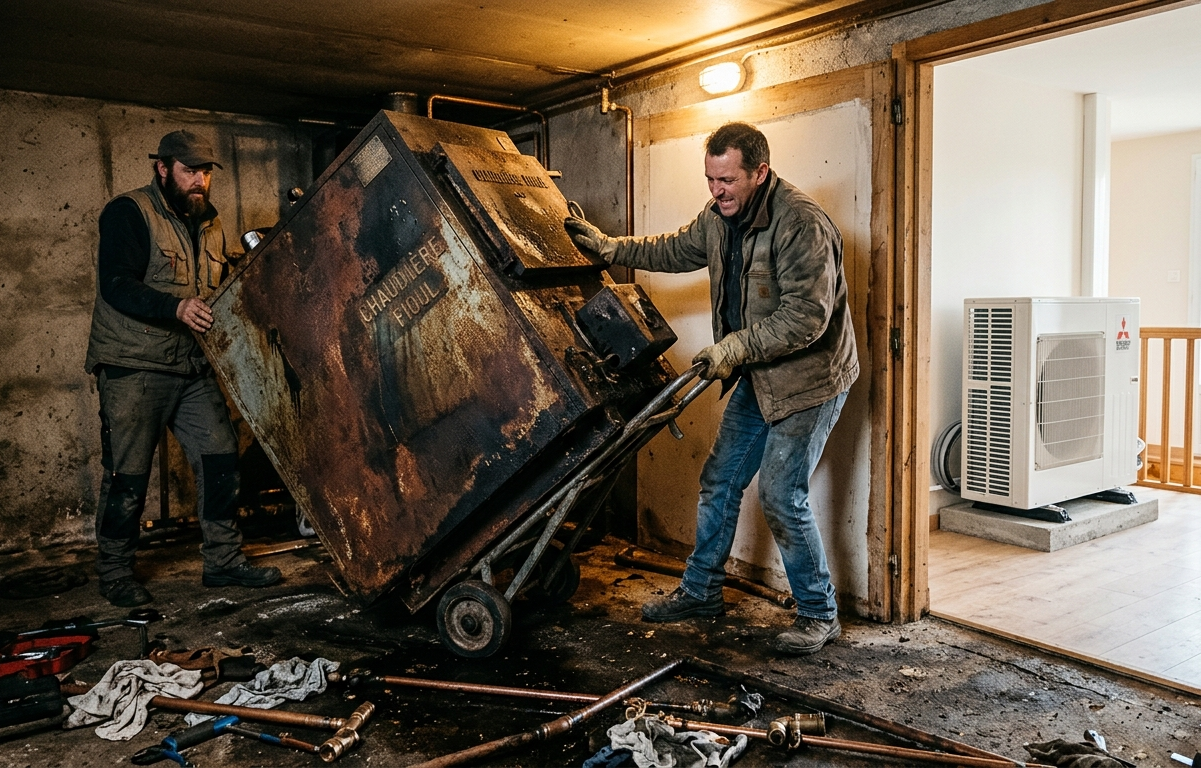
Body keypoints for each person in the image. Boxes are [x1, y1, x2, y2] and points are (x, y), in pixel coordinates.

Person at [564, 122, 858, 655]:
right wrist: (611, 247)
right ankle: (700, 593)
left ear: (759, 172)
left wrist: (734, 348)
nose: (716, 190)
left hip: (809, 381)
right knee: (719, 481)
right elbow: (675, 249)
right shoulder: (720, 217)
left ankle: (819, 614)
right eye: (710, 179)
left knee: (780, 494)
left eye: (726, 180)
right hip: (756, 373)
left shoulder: (802, 224)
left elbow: (807, 319)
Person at [84, 130, 281, 608]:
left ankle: (223, 562)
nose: (200, 180)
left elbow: (211, 284)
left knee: (220, 459)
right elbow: (116, 285)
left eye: (207, 172)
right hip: (134, 365)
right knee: (127, 476)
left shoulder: (210, 224)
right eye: (190, 171)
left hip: (190, 366)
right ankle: (114, 572)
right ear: (163, 168)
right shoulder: (129, 212)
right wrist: (175, 308)